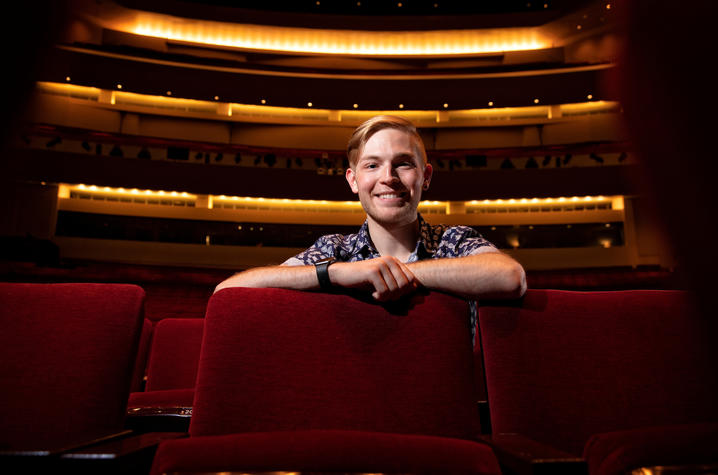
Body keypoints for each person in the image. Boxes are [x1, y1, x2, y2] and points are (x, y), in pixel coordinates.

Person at [215, 115, 526, 341]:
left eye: (403, 163)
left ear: (426, 176)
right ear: (353, 180)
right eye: (372, 165)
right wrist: (336, 273)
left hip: (444, 409)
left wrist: (399, 272)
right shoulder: (334, 250)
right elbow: (228, 293)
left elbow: (510, 277)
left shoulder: (454, 241)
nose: (388, 177)